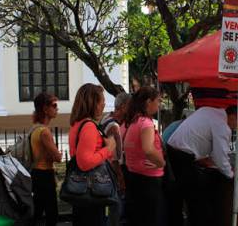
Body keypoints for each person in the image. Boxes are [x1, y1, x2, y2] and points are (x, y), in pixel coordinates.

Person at [166, 105, 237, 226]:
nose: (237, 126)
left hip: (174, 148)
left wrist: (201, 158)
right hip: (182, 154)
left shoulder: (209, 111)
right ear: (233, 117)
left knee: (183, 193)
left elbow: (198, 136)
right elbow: (221, 156)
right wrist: (231, 175)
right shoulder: (222, 125)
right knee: (197, 199)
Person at [69, 83, 116, 226]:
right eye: (102, 100)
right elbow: (85, 162)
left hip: (82, 189)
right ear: (93, 103)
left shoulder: (78, 124)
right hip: (91, 190)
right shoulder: (89, 126)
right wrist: (108, 149)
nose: (104, 104)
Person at [123, 86, 166, 226]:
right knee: (151, 218)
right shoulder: (146, 123)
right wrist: (161, 162)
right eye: (157, 101)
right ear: (148, 102)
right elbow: (148, 149)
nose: (159, 105)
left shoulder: (132, 122)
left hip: (135, 176)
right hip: (149, 180)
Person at [99, 92, 131, 226]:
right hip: (111, 173)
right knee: (116, 209)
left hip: (105, 170)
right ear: (123, 107)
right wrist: (120, 178)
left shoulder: (106, 118)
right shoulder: (114, 126)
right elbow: (114, 158)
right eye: (130, 107)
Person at [30, 92, 62, 226]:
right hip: (44, 175)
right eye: (54, 105)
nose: (57, 108)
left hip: (36, 173)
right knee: (51, 213)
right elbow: (58, 157)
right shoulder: (44, 131)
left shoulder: (35, 128)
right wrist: (56, 153)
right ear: (45, 108)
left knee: (38, 210)